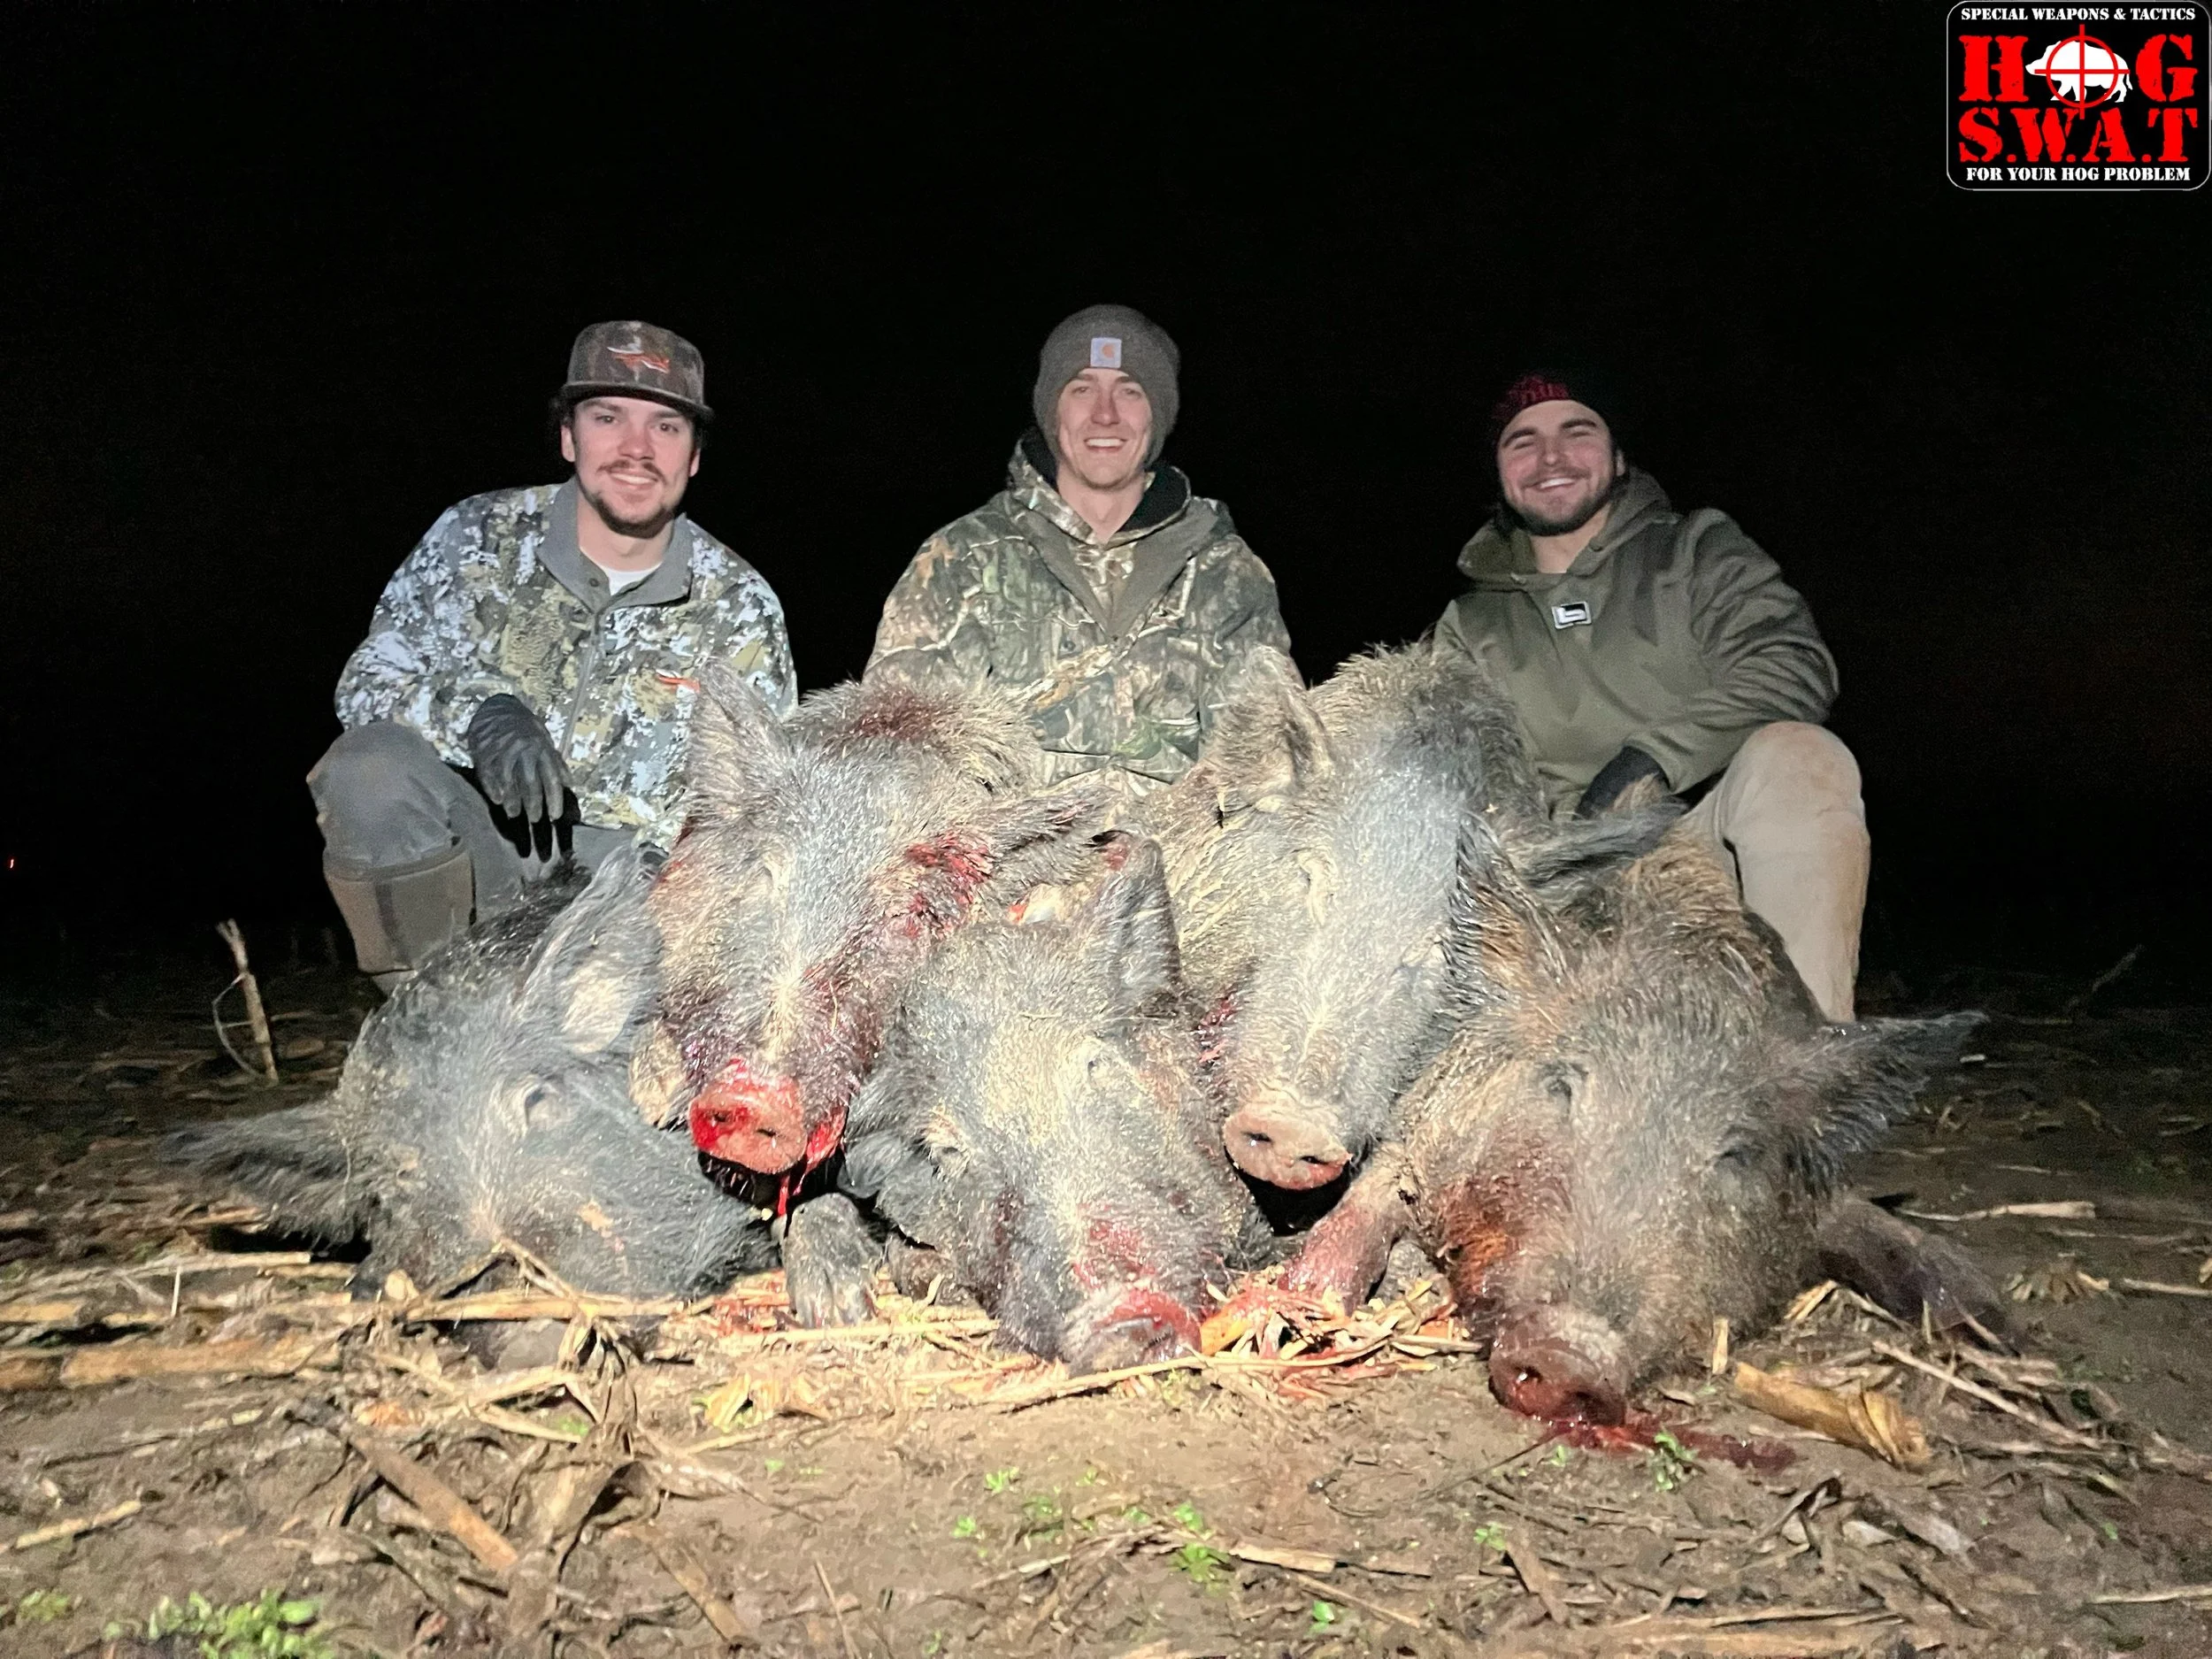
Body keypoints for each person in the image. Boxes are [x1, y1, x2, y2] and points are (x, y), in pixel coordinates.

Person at [314, 320, 795, 987]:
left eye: (666, 427)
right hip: (481, 859)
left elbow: (762, 802)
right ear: (569, 436)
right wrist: (480, 715)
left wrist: (665, 885)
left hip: (628, 896)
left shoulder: (740, 604)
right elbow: (369, 678)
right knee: (370, 768)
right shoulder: (477, 537)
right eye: (608, 418)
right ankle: (428, 1011)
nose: (636, 448)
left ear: (693, 458)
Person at [1433, 369, 1867, 1020]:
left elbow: (1792, 664)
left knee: (1803, 758)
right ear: (1500, 474)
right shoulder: (1468, 626)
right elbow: (1454, 773)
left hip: (1704, 845)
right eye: (1522, 441)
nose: (1550, 457)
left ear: (1618, 457)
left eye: (1577, 431)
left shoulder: (1696, 550)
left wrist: (1649, 762)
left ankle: (1808, 1044)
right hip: (1560, 886)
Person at [865, 303, 1291, 797]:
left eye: (1130, 391)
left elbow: (1266, 769)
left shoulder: (1224, 573)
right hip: (1014, 842)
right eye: (1082, 389)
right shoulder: (961, 561)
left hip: (1177, 843)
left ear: (1157, 415)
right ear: (1054, 412)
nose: (1105, 414)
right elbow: (898, 754)